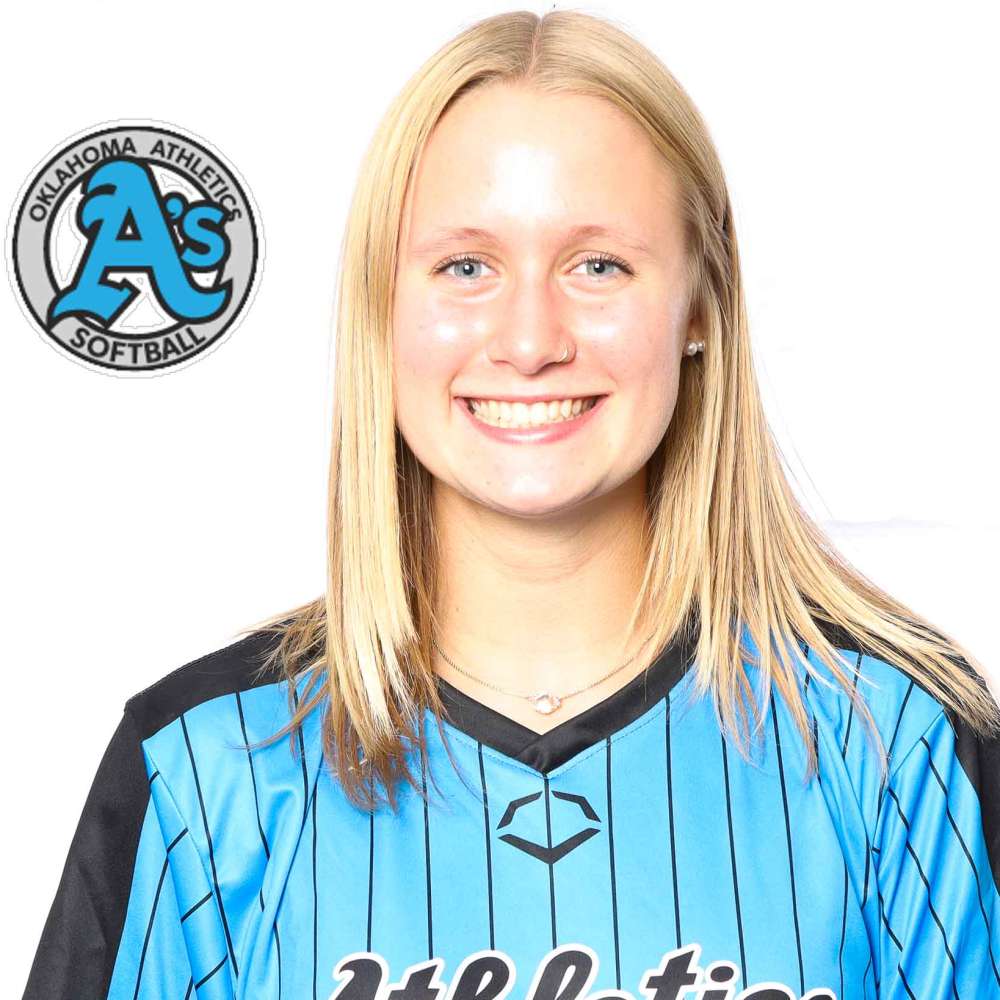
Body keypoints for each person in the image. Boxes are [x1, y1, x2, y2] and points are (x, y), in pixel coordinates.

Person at [22, 10, 1000, 1000]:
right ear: (382, 308)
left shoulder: (894, 738)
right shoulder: (204, 764)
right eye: (466, 267)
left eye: (598, 265)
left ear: (700, 306)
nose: (530, 341)